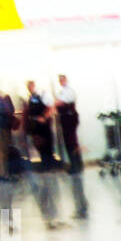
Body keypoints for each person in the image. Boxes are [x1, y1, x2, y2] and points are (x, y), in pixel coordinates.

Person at [25, 80, 64, 227]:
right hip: (38, 131)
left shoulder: (43, 95)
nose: (30, 89)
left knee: (47, 154)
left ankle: (49, 169)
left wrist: (44, 118)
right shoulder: (31, 98)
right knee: (43, 154)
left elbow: (51, 108)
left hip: (44, 131)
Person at [54, 74, 88, 218]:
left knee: (71, 141)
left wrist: (57, 103)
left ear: (66, 80)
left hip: (69, 116)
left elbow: (61, 103)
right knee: (70, 142)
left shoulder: (68, 91)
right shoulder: (62, 90)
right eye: (60, 80)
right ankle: (75, 163)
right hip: (66, 118)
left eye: (63, 79)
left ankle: (76, 164)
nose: (61, 82)